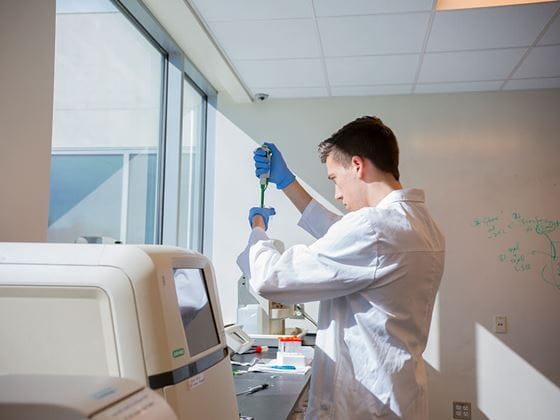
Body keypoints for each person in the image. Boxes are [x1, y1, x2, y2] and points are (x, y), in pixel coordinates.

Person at [240, 116, 445, 420]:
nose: (337, 193)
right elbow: (341, 234)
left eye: (335, 178)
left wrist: (258, 231)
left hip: (363, 405)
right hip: (396, 395)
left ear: (358, 166)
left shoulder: (374, 228)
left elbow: (271, 278)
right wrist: (287, 183)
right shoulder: (420, 223)